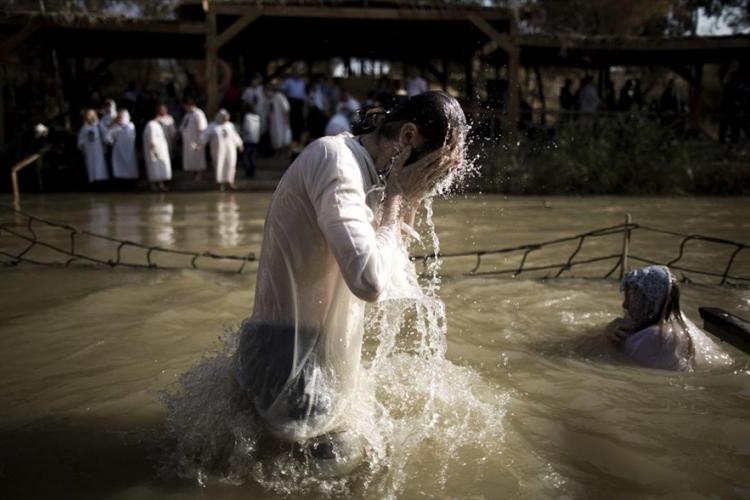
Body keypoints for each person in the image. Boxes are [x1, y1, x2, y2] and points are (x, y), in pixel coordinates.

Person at [233, 91, 466, 461]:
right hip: (289, 354)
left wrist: (409, 199)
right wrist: (396, 199)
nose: (433, 179)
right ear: (407, 137)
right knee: (336, 469)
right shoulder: (335, 161)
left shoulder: (370, 170)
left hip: (319, 351)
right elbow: (369, 281)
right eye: (432, 166)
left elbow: (393, 268)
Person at [605, 265, 731, 371]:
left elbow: (610, 361)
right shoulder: (683, 323)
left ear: (651, 301)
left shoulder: (654, 336)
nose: (625, 305)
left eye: (633, 298)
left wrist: (608, 338)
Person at [202, 109, 243, 191]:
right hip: (218, 150)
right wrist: (200, 144)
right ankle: (220, 184)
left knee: (231, 165)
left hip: (230, 150)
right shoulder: (212, 126)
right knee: (219, 166)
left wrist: (240, 144)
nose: (226, 119)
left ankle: (230, 182)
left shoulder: (230, 125)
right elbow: (205, 136)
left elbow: (235, 135)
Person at [144, 106, 172, 192]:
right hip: (155, 152)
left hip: (160, 151)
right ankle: (153, 186)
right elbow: (152, 140)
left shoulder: (156, 125)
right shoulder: (151, 125)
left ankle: (160, 185)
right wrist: (155, 151)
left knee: (159, 169)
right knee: (154, 168)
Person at [105, 109, 138, 181]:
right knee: (120, 166)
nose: (121, 117)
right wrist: (112, 142)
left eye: (122, 116)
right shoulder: (115, 127)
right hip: (118, 150)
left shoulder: (130, 125)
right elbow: (107, 137)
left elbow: (131, 136)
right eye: (119, 116)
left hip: (129, 149)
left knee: (130, 166)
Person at [77, 109, 109, 183]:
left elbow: (105, 135)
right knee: (90, 164)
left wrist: (105, 144)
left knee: (99, 164)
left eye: (90, 114)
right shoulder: (84, 127)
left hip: (98, 148)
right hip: (88, 149)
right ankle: (92, 180)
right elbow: (81, 139)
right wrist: (81, 146)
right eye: (87, 115)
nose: (88, 116)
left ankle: (101, 180)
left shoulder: (99, 125)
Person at [180, 97, 208, 180]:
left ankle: (199, 174)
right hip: (188, 140)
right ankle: (193, 173)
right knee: (190, 158)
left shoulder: (198, 113)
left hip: (196, 140)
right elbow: (183, 126)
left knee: (197, 158)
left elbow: (202, 128)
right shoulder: (187, 115)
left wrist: (201, 141)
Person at [266, 86, 292, 155]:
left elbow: (286, 108)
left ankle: (282, 152)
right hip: (274, 122)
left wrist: (287, 120)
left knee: (282, 137)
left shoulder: (279, 96)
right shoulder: (270, 99)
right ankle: (277, 152)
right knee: (275, 136)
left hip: (281, 121)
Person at [241, 103, 261, 178]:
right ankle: (252, 172)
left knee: (245, 156)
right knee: (252, 156)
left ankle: (248, 171)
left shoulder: (247, 117)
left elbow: (247, 129)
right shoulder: (257, 117)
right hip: (255, 139)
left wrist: (242, 134)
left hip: (248, 139)